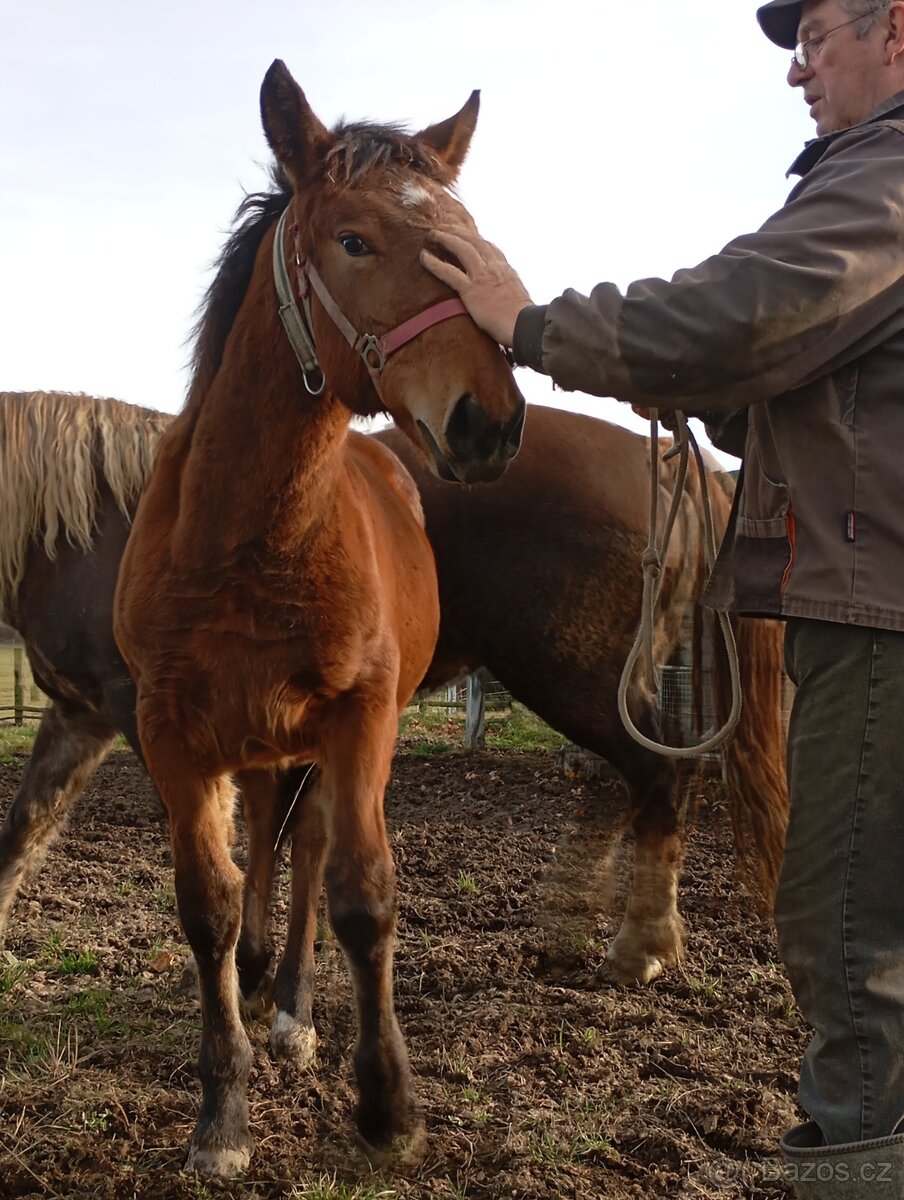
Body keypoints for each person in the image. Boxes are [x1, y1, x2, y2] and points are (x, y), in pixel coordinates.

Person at [421, 2, 904, 1196]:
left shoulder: (887, 174)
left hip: (880, 612)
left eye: (816, 37)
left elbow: (736, 315)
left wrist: (531, 325)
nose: (797, 71)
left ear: (894, 27)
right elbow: (788, 371)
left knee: (848, 939)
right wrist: (731, 403)